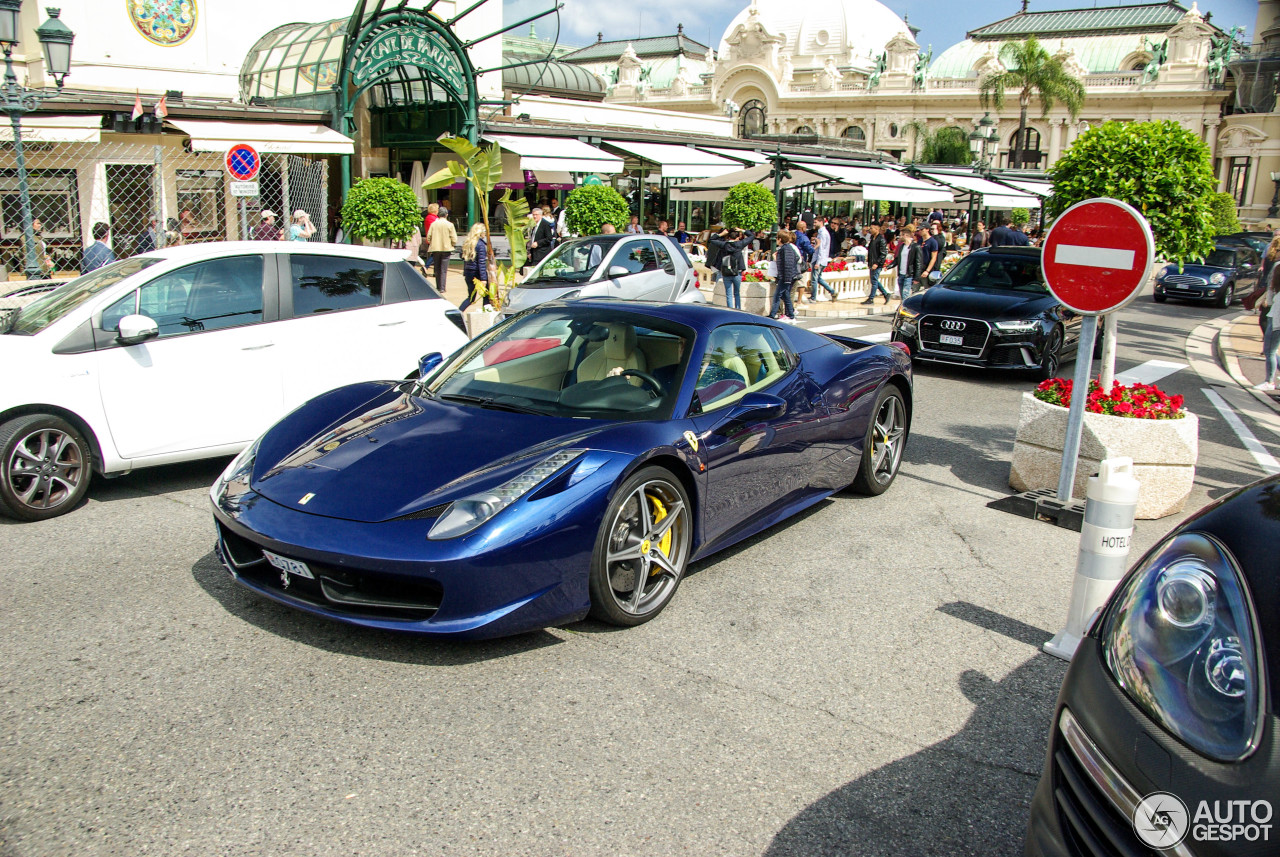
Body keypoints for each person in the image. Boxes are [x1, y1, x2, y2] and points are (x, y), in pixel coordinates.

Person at [709, 227, 751, 310]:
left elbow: (711, 239)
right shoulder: (740, 244)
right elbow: (751, 236)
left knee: (729, 294)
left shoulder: (724, 245)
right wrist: (742, 230)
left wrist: (721, 234)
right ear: (737, 238)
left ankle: (730, 310)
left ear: (728, 237)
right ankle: (738, 310)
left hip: (726, 272)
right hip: (737, 272)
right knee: (737, 293)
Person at [459, 223, 491, 312]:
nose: (485, 233)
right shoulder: (480, 245)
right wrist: (484, 278)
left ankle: (459, 311)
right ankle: (486, 312)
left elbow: (461, 256)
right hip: (476, 273)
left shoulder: (468, 243)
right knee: (486, 295)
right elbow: (481, 263)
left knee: (471, 298)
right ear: (480, 232)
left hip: (468, 273)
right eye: (484, 231)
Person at [771, 231, 800, 321]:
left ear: (780, 239)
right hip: (786, 277)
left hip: (785, 277)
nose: (776, 240)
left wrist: (787, 279)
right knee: (785, 295)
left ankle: (772, 315)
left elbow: (788, 264)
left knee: (777, 295)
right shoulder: (786, 248)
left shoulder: (785, 249)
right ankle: (791, 314)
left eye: (777, 238)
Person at [426, 211, 457, 293]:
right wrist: (452, 244)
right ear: (446, 215)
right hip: (446, 249)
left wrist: (432, 243)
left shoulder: (433, 224)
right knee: (443, 269)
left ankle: (438, 286)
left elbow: (428, 237)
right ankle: (442, 287)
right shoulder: (450, 224)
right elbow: (454, 238)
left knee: (437, 268)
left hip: (436, 248)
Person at [861, 224, 891, 304]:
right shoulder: (872, 238)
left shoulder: (881, 239)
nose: (869, 230)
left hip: (877, 263)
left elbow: (883, 253)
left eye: (871, 228)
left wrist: (877, 263)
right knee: (874, 280)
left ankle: (871, 298)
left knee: (874, 280)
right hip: (872, 262)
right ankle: (886, 294)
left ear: (877, 229)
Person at [809, 218, 837, 302]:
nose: (814, 223)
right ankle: (832, 291)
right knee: (818, 278)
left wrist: (818, 262)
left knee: (814, 279)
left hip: (819, 259)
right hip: (820, 259)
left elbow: (822, 248)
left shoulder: (823, 233)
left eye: (815, 222)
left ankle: (813, 298)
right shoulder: (821, 233)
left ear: (821, 222)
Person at [893, 229, 923, 301]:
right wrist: (889, 266)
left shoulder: (916, 247)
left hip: (909, 274)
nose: (899, 237)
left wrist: (917, 277)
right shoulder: (902, 247)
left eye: (901, 235)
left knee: (905, 293)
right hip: (901, 273)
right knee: (902, 294)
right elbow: (897, 259)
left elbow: (918, 262)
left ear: (905, 236)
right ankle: (903, 306)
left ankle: (904, 308)